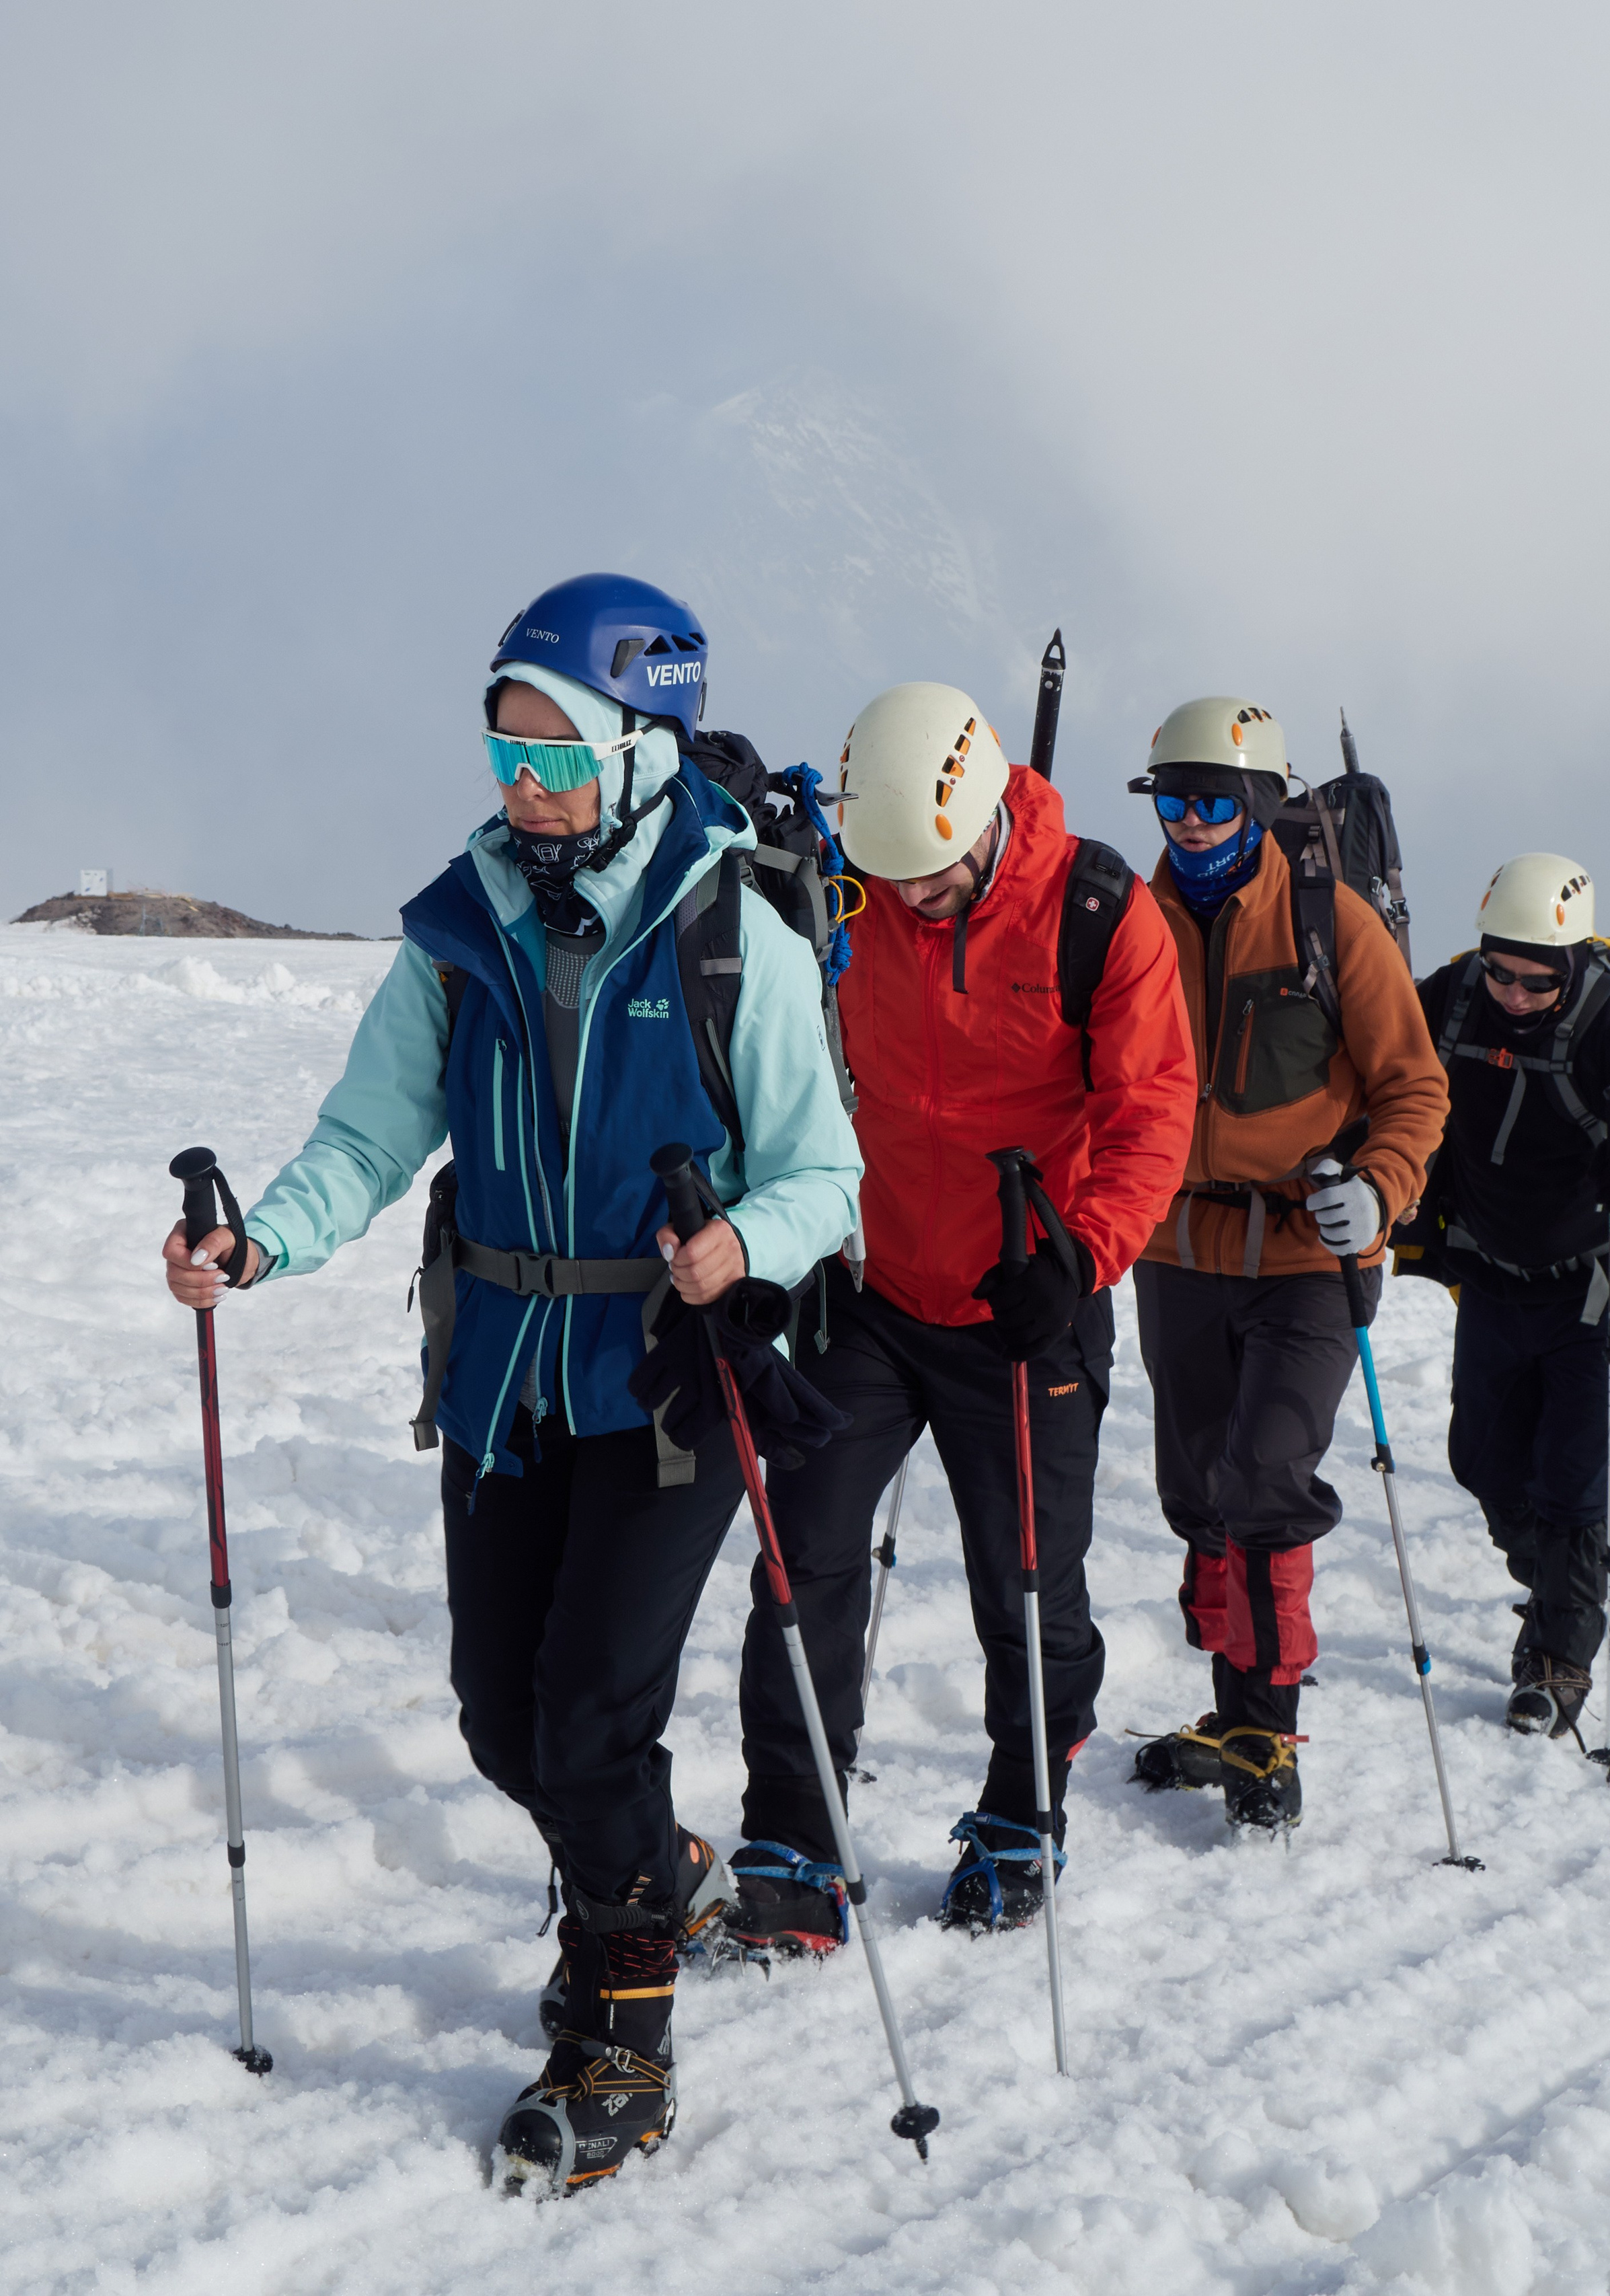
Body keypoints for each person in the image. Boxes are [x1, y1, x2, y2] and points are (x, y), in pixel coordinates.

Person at [161, 572, 862, 2194]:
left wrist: (740, 1244)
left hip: (663, 1385)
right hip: (500, 1384)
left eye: (557, 755)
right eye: (504, 752)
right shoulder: (458, 931)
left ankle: (620, 2016)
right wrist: (256, 1245)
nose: (525, 788)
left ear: (642, 749)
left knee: (592, 1713)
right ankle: (660, 1868)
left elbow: (828, 1172)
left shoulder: (728, 930)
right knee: (500, 1713)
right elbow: (368, 1134)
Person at [722, 681, 1197, 1946]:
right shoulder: (844, 895)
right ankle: (795, 1833)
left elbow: (1153, 1109)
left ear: (984, 818)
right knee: (801, 1554)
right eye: (885, 879)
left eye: (930, 879)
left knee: (1026, 1582)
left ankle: (1019, 1810)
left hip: (1027, 1304)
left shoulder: (1099, 913)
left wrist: (1082, 1256)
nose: (909, 902)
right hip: (873, 1289)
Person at [1126, 697, 1448, 1832]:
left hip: (1311, 1244)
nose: (1194, 822)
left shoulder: (1334, 924)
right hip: (1174, 1245)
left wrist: (1383, 1186)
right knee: (1198, 1488)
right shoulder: (1131, 920)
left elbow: (1414, 1085)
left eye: (1217, 800)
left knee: (1266, 1474)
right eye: (1172, 799)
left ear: (1263, 804)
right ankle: (1233, 1705)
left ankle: (1267, 1721)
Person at [1408, 854, 1610, 1734]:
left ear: (1571, 965)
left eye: (1536, 980)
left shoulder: (1609, 1018)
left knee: (1573, 1483)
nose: (1512, 991)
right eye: (1498, 967)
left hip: (1603, 1284)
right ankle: (1557, 1584)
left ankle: (1557, 1661)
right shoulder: (1456, 995)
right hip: (1495, 1273)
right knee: (1486, 1462)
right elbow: (1380, 1056)